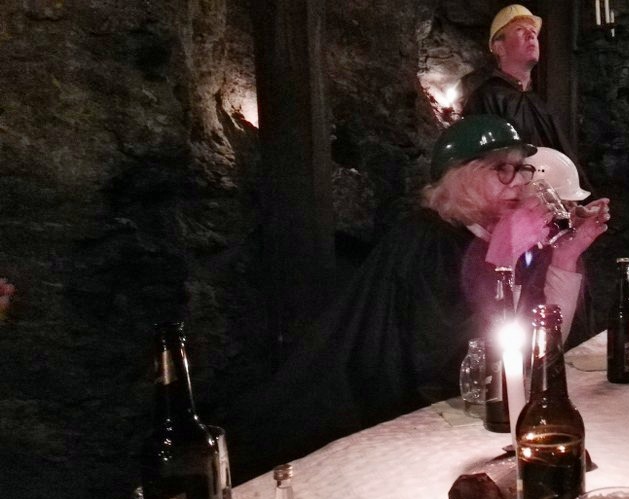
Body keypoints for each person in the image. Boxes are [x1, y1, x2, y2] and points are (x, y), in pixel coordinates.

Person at [226, 115, 609, 475]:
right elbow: (450, 364)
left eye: (521, 169)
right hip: (381, 423)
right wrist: (502, 260)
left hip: (466, 420)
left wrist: (564, 257)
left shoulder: (494, 236)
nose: (518, 182)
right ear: (461, 177)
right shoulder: (427, 239)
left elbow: (540, 346)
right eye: (501, 169)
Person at [461, 5, 587, 185]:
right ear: (499, 48)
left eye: (533, 32)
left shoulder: (540, 104)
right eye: (520, 30)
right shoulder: (485, 99)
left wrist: (585, 197)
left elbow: (564, 162)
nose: (531, 35)